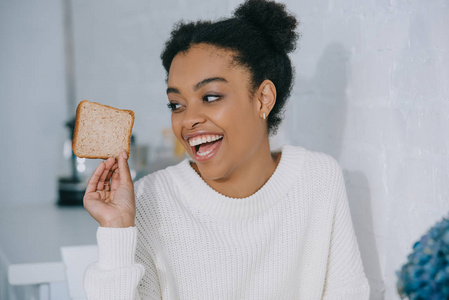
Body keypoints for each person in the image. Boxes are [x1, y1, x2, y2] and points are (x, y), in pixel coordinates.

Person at [83, 0, 370, 299]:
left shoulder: (318, 179)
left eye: (210, 97)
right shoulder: (147, 202)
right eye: (176, 104)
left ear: (263, 99)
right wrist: (116, 230)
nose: (188, 119)